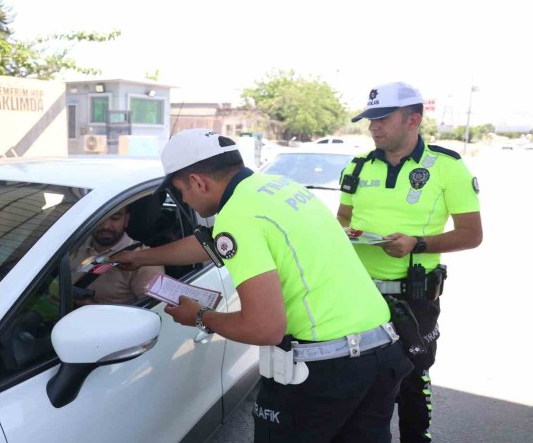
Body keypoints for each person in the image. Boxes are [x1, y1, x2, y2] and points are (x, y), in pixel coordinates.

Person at [112, 128, 412, 442]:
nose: (183, 200)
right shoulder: (279, 187)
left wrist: (199, 316)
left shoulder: (238, 216)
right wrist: (140, 258)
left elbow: (264, 329)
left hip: (325, 370)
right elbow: (212, 244)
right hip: (381, 351)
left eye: (179, 192)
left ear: (198, 182)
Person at [338, 81, 483, 443]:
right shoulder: (357, 166)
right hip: (358, 296)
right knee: (358, 383)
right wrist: (346, 232)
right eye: (370, 120)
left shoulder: (447, 166)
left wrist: (417, 244)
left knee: (412, 384)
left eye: (382, 119)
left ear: (413, 120)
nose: (373, 127)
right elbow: (343, 218)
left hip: (413, 299)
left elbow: (471, 234)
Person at [70, 206, 163, 305]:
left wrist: (92, 307)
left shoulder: (144, 261)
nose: (106, 226)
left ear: (126, 220)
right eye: (99, 218)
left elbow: (157, 309)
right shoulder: (71, 246)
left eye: (115, 218)